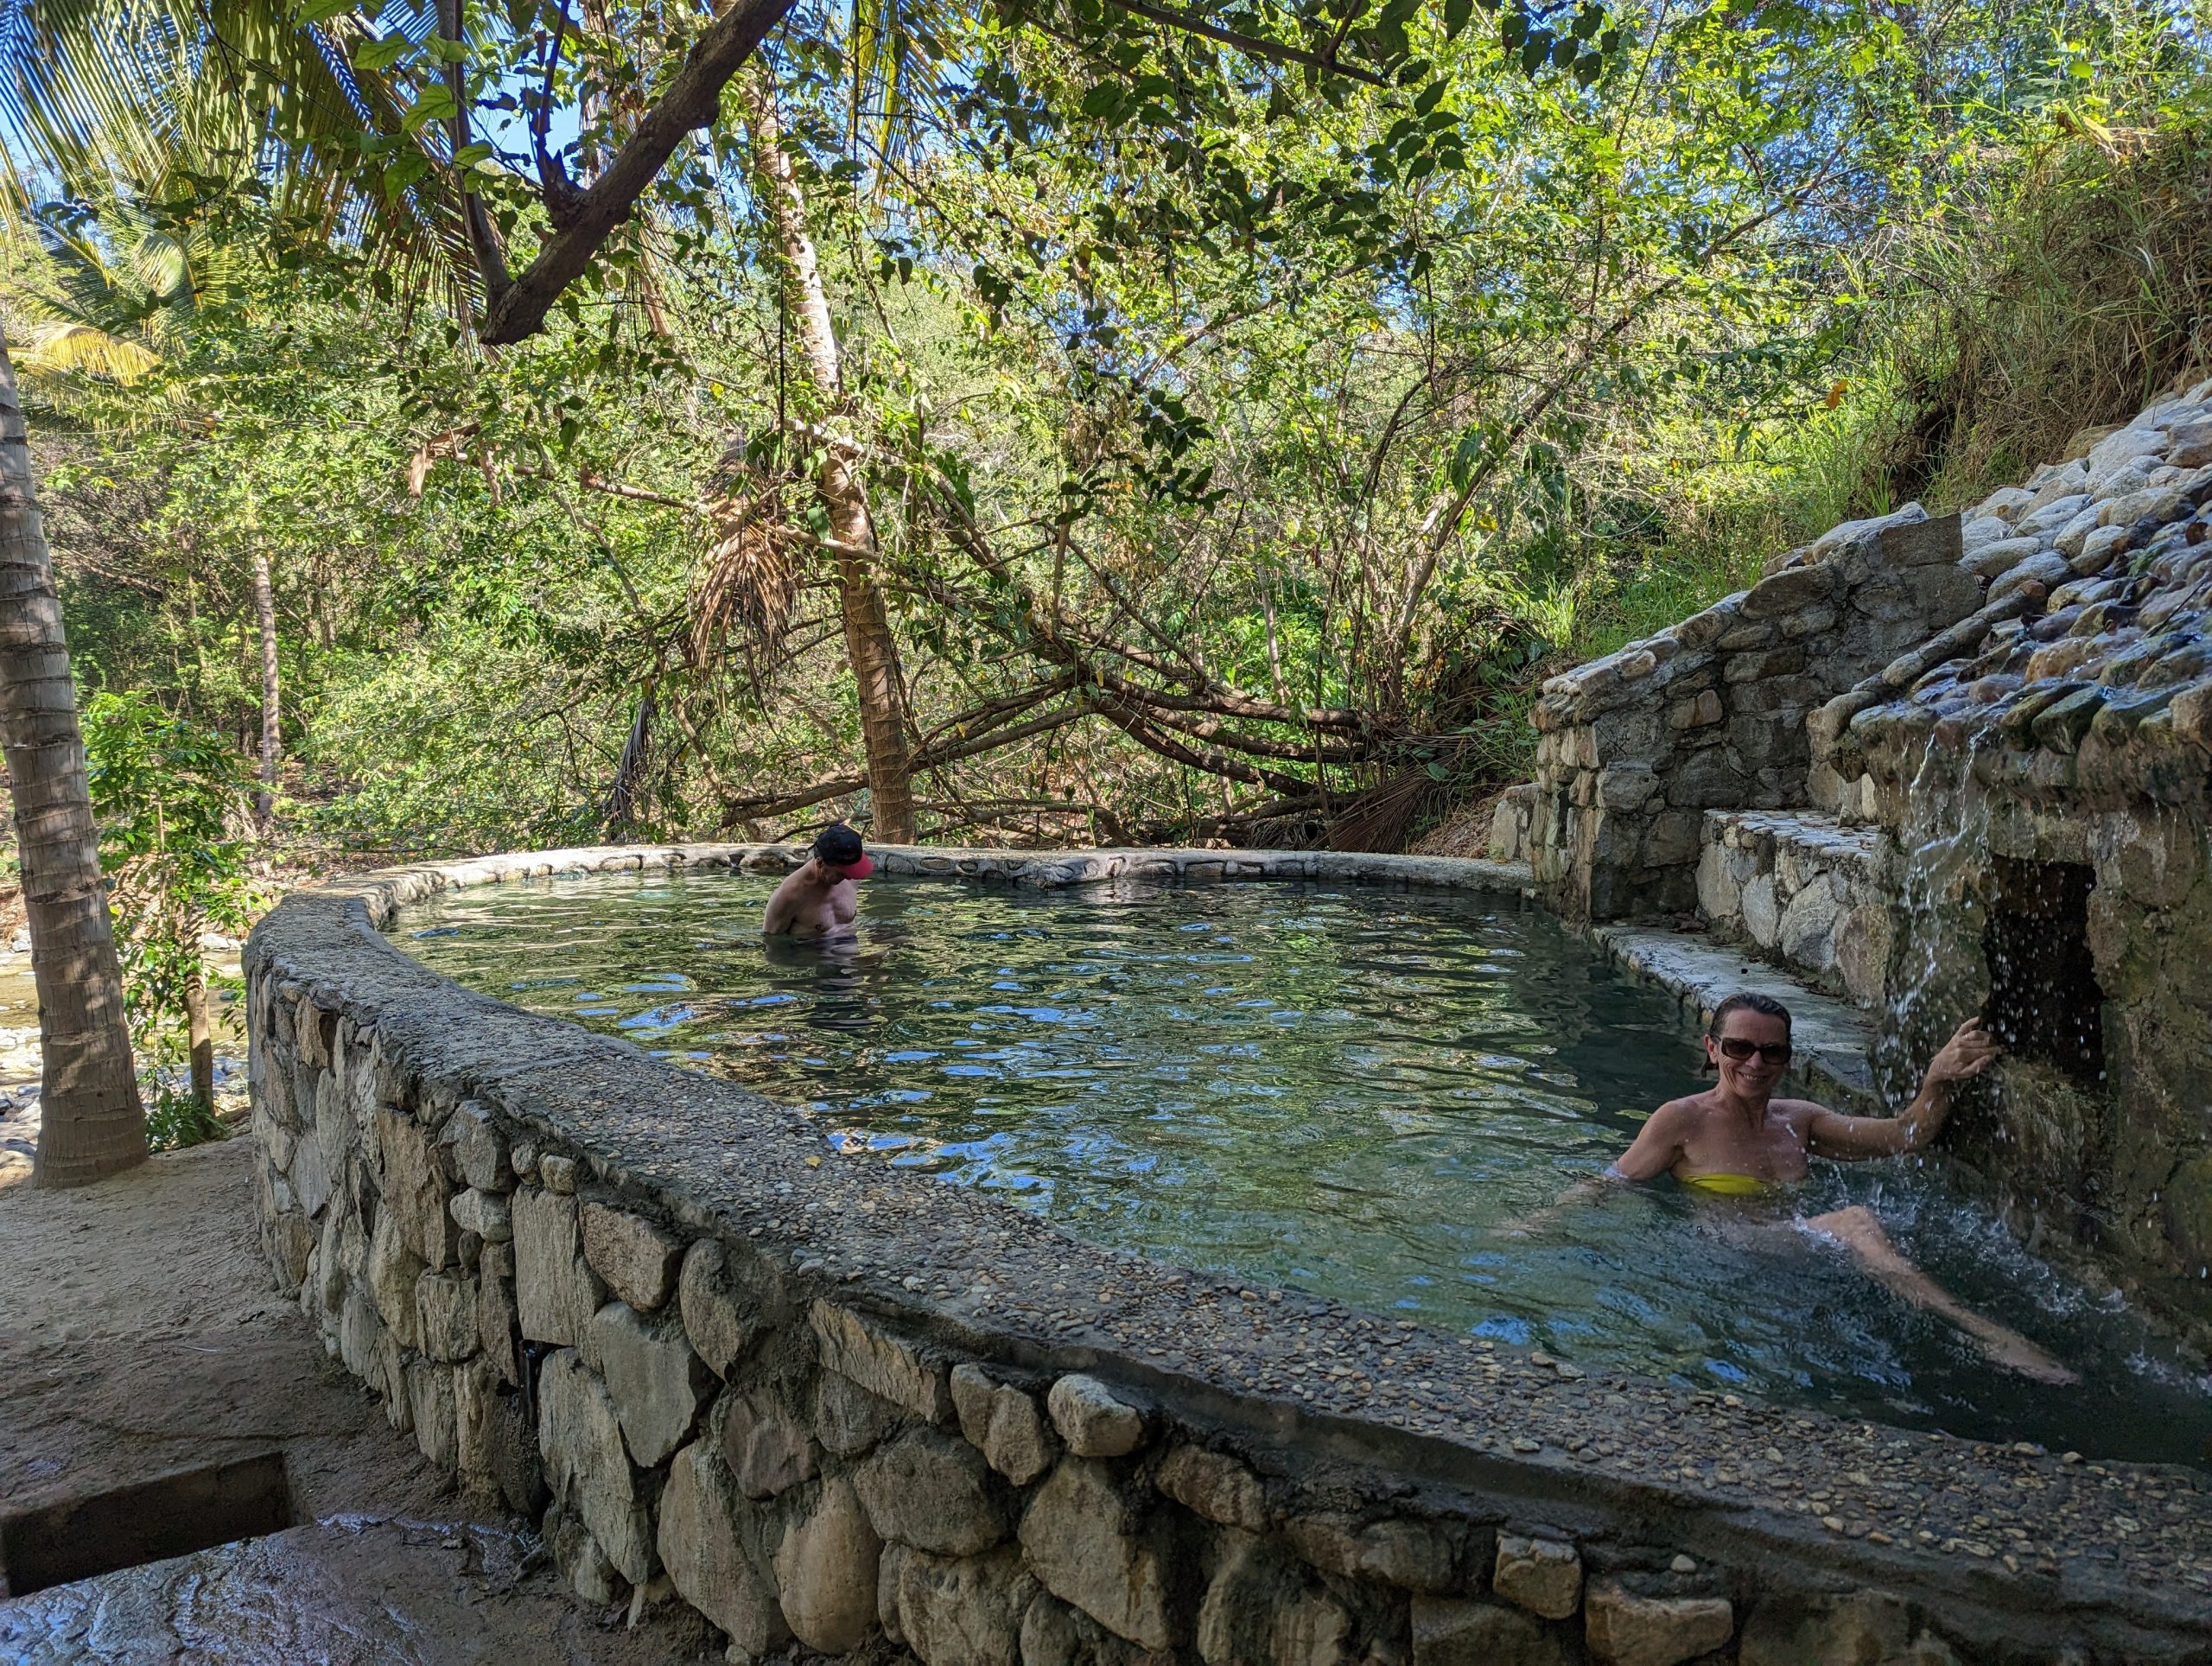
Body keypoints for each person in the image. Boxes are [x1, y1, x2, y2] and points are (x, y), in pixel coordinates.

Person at [1557, 992, 2075, 1383]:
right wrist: (1539, 1222)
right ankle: (1986, 1335)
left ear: (1787, 1057)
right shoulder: (1682, 1120)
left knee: (1858, 1238)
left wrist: (1937, 1079)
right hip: (1724, 1250)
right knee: (1855, 1222)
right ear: (1713, 1049)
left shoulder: (1799, 1120)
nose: (1755, 1064)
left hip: (1792, 1249)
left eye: (1771, 1052)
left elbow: (1904, 1135)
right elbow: (1614, 1180)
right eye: (1739, 1047)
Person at [762, 823, 874, 938]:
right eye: (842, 873)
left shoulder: (852, 875)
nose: (850, 877)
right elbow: (771, 942)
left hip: (850, 953)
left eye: (853, 870)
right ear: (820, 863)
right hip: (814, 954)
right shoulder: (789, 895)